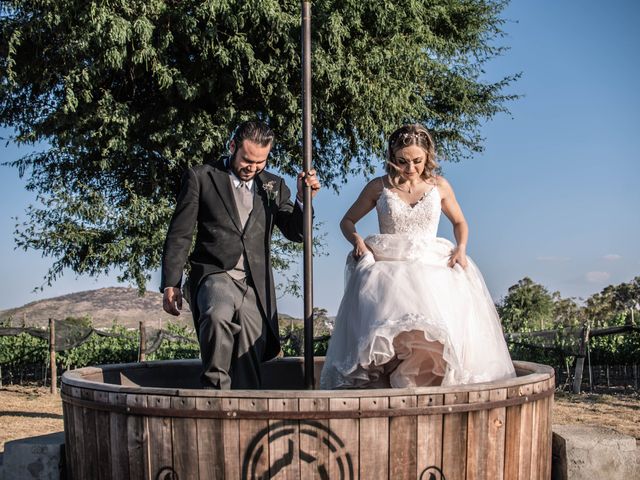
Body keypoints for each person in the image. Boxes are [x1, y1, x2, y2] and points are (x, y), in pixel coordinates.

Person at [320, 124, 515, 389]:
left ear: (427, 157)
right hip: (389, 266)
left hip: (432, 262)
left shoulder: (440, 186)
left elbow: (460, 222)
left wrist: (461, 247)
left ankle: (425, 384)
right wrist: (357, 241)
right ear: (392, 157)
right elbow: (347, 221)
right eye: (402, 161)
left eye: (417, 161)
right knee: (388, 324)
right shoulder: (379, 187)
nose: (410, 168)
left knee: (435, 331)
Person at [161, 121, 320, 389]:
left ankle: (246, 410)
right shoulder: (201, 177)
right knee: (217, 314)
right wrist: (171, 282)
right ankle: (214, 394)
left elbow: (297, 233)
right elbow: (180, 233)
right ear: (232, 146)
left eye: (261, 162)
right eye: (247, 160)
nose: (253, 167)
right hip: (215, 273)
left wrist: (305, 200)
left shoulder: (274, 186)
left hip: (254, 284)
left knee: (250, 344)